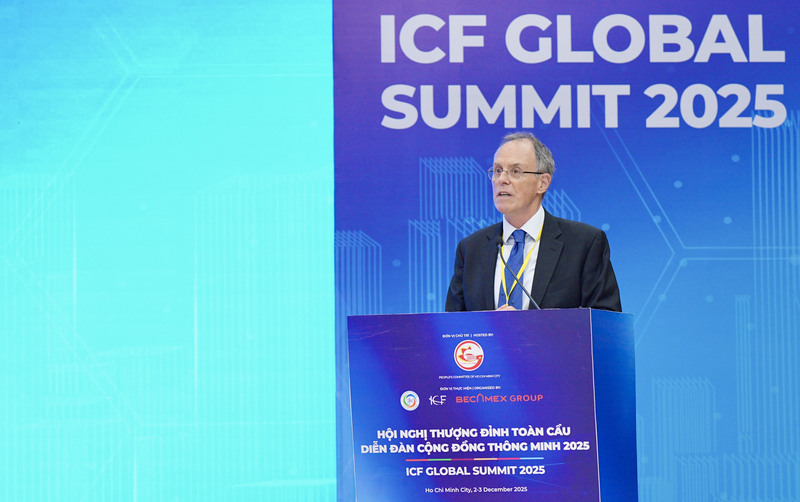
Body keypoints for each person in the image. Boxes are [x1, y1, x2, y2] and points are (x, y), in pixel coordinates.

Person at [445, 132, 621, 312]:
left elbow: (605, 321)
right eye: (497, 170)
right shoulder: (471, 249)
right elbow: (451, 325)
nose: (502, 180)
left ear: (542, 183)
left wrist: (531, 326)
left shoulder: (584, 244)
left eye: (515, 171)